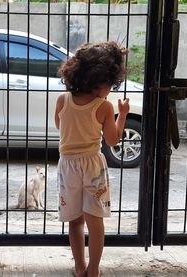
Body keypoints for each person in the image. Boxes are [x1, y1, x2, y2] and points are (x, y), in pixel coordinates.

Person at [55, 41, 130, 277]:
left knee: (74, 221)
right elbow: (112, 140)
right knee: (95, 221)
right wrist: (123, 115)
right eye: (111, 83)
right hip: (92, 165)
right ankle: (94, 270)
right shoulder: (104, 106)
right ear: (100, 82)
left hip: (67, 165)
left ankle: (79, 267)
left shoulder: (62, 100)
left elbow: (61, 127)